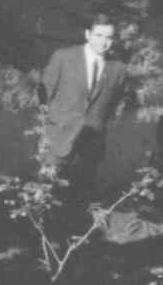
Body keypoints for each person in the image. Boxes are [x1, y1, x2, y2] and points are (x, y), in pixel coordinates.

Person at [37, 15, 138, 204]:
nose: (103, 42)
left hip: (91, 144)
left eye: (109, 37)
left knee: (79, 199)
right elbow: (44, 94)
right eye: (98, 35)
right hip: (58, 139)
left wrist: (100, 127)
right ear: (88, 34)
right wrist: (49, 130)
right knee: (46, 196)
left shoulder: (118, 69)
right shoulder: (64, 57)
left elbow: (114, 105)